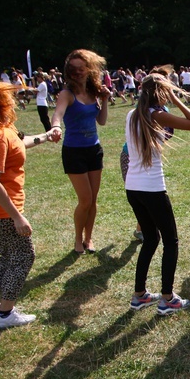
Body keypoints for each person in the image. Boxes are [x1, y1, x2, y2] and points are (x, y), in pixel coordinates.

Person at [0, 82, 58, 329]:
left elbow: (19, 142)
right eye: (10, 96)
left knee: (9, 255)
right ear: (1, 102)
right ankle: (5, 313)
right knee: (24, 256)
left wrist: (45, 137)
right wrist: (16, 216)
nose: (14, 100)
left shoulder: (0, 128)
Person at [125, 67, 190, 315]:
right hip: (152, 188)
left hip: (133, 187)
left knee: (151, 239)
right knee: (170, 240)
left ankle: (140, 295)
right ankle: (167, 298)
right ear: (161, 93)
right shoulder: (156, 115)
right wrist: (177, 99)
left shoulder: (131, 114)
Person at [49, 49, 112, 255]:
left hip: (94, 150)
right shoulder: (67, 94)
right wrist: (56, 127)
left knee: (93, 200)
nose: (77, 72)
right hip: (74, 152)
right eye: (72, 68)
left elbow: (101, 121)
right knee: (85, 200)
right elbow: (57, 114)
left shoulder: (94, 92)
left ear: (89, 69)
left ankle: (89, 238)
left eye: (81, 67)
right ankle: (77, 239)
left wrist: (104, 100)